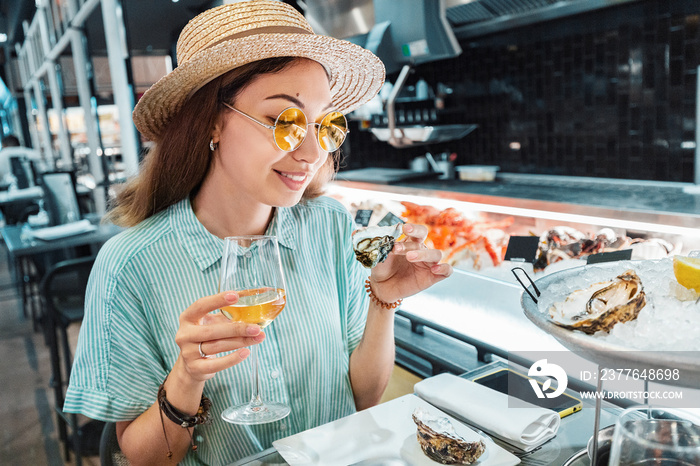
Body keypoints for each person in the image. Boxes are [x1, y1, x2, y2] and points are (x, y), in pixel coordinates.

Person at [64, 2, 452, 464]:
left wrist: (384, 301)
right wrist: (187, 377)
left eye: (322, 123)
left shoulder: (327, 226)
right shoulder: (131, 265)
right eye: (282, 121)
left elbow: (363, 399)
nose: (311, 152)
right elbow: (145, 457)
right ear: (210, 120)